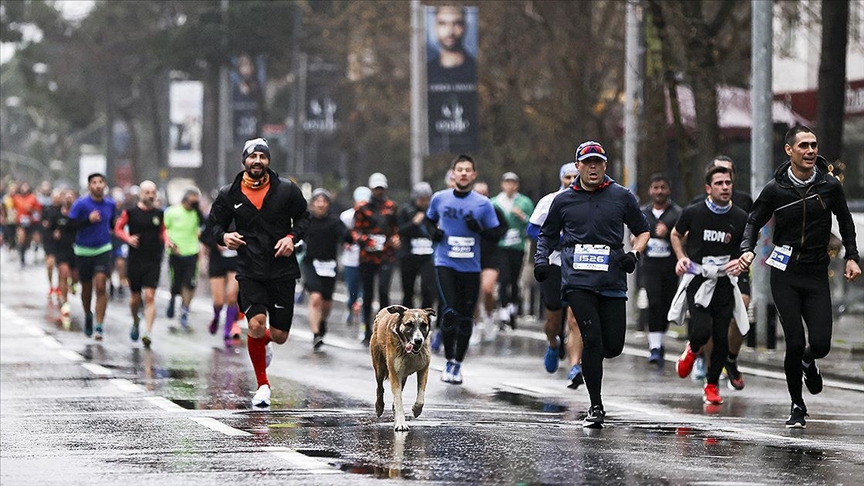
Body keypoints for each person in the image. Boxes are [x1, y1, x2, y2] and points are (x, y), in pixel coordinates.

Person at [738, 125, 860, 428]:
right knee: (793, 341)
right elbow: (753, 221)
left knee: (820, 344)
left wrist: (852, 257)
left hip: (816, 272)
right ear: (789, 151)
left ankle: (809, 362)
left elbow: (845, 222)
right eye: (803, 146)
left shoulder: (829, 185)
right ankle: (797, 405)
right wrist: (747, 249)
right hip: (785, 273)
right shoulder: (775, 189)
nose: (810, 151)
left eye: (813, 145)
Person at [534, 141, 649, 428]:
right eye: (587, 163)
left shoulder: (621, 196)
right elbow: (546, 235)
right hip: (577, 281)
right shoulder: (563, 200)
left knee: (613, 345)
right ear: (578, 167)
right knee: (592, 339)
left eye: (598, 162)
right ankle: (595, 405)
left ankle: (595, 376)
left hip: (611, 280)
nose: (593, 167)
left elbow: (643, 230)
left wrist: (633, 253)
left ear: (605, 165)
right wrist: (541, 260)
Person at [207, 137, 310, 408]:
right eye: (253, 157)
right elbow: (213, 226)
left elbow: (304, 219)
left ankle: (264, 340)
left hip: (282, 269)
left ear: (268, 161)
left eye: (262, 157)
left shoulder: (287, 189)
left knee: (279, 335)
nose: (257, 161)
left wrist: (292, 237)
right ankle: (263, 385)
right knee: (254, 324)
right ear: (244, 161)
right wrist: (224, 236)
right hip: (249, 268)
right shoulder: (229, 193)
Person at [669, 165, 748, 407]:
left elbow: (746, 247)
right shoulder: (694, 212)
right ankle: (692, 351)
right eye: (719, 183)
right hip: (699, 277)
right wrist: (681, 257)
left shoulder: (739, 217)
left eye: (728, 183)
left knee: (721, 337)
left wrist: (742, 261)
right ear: (708, 188)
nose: (725, 187)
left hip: (725, 280)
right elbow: (675, 234)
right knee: (702, 329)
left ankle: (712, 385)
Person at [427, 155, 501, 385]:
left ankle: (458, 363)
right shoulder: (440, 198)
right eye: (460, 169)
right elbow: (428, 221)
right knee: (450, 311)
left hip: (470, 266)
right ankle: (448, 360)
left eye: (468, 170)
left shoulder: (483, 204)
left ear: (474, 174)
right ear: (453, 173)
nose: (464, 173)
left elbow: (496, 234)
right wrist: (434, 233)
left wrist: (477, 228)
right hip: (445, 262)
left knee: (466, 317)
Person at [688, 156, 752, 387]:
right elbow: (684, 233)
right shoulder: (698, 206)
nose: (725, 185)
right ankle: (706, 361)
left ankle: (731, 359)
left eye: (729, 176)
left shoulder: (744, 202)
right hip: (705, 270)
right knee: (709, 325)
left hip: (735, 267)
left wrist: (746, 256)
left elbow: (752, 233)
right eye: (719, 177)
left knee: (742, 307)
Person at [527, 162, 584, 387]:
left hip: (579, 264)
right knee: (553, 318)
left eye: (574, 177)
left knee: (575, 318)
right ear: (561, 178)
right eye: (567, 177)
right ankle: (552, 343)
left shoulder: (586, 200)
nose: (571, 181)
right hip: (553, 263)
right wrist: (558, 240)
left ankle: (575, 366)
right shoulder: (550, 200)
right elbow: (531, 228)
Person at [114, 181, 166, 348]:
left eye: (153, 192)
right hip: (135, 259)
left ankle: (148, 332)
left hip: (153, 259)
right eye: (147, 192)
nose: (151, 195)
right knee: (135, 298)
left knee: (150, 296)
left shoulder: (159, 213)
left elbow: (163, 231)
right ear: (141, 194)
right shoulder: (130, 212)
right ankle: (136, 320)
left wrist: (168, 240)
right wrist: (128, 238)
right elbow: (118, 228)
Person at [638, 173, 682, 368]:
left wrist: (669, 234)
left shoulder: (676, 213)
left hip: (670, 267)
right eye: (656, 187)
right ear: (650, 190)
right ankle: (654, 347)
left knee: (666, 305)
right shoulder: (643, 213)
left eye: (663, 187)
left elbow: (684, 235)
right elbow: (635, 235)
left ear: (668, 190)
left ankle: (660, 341)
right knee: (654, 301)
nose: (659, 191)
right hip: (649, 266)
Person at [352, 172, 400, 345]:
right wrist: (366, 240)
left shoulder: (391, 206)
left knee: (384, 291)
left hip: (386, 256)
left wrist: (396, 239)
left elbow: (396, 228)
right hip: (367, 257)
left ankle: (385, 329)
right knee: (367, 293)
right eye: (376, 188)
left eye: (381, 188)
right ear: (371, 189)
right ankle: (367, 330)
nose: (379, 191)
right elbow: (355, 231)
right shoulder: (362, 208)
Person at [68, 173, 116, 340]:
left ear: (105, 185)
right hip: (83, 250)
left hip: (103, 248)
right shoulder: (80, 204)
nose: (98, 185)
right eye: (94, 182)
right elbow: (70, 225)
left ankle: (99, 325)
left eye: (101, 182)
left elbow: (112, 224)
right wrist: (88, 220)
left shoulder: (111, 204)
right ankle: (88, 314)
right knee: (87, 287)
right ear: (89, 186)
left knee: (101, 285)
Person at [302, 188, 345, 349]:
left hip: (329, 265)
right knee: (315, 298)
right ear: (312, 204)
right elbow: (296, 235)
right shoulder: (307, 221)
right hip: (311, 263)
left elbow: (345, 236)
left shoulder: (334, 222)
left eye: (324, 201)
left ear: (328, 204)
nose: (321, 204)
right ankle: (315, 334)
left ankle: (322, 322)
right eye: (317, 201)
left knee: (326, 302)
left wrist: (350, 239)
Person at [493, 172, 535, 330]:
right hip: (501, 246)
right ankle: (503, 311)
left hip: (518, 246)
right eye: (507, 182)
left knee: (514, 280)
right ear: (502, 185)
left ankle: (513, 309)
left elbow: (533, 223)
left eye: (513, 183)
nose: (510, 186)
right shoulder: (495, 202)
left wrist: (522, 216)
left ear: (517, 185)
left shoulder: (524, 202)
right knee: (504, 278)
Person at [472, 181, 507, 343]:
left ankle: (488, 316)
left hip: (491, 255)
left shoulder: (494, 210)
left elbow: (502, 230)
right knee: (472, 293)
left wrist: (485, 231)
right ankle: (474, 325)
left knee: (487, 289)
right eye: (477, 194)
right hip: (471, 254)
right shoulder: (467, 209)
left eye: (484, 194)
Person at [164, 188, 203, 331]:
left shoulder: (196, 213)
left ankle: (185, 310)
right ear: (186, 198)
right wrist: (171, 244)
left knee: (190, 284)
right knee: (176, 283)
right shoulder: (172, 212)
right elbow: (164, 230)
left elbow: (202, 229)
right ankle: (173, 298)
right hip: (175, 253)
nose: (194, 201)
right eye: (193, 198)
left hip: (192, 252)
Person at [397, 182, 437, 310]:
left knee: (428, 289)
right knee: (408, 290)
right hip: (409, 255)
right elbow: (400, 230)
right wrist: (414, 223)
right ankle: (407, 318)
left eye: (427, 199)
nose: (424, 202)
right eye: (421, 199)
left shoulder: (433, 211)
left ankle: (425, 317)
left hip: (428, 256)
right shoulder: (406, 209)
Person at [44, 188, 79, 329]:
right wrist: (54, 233)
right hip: (61, 249)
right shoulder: (56, 213)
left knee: (75, 277)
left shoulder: (78, 213)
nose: (69, 198)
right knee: (63, 273)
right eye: (66, 196)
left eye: (71, 196)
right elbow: (49, 228)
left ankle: (74, 284)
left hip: (76, 249)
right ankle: (65, 302)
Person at [340, 186, 371, 327]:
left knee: (365, 292)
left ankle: (364, 321)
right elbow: (341, 234)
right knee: (352, 290)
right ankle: (349, 307)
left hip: (367, 259)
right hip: (351, 259)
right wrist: (345, 243)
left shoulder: (373, 216)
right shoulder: (346, 216)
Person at [427, 6, 477, 85]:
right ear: (435, 27)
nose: (450, 32)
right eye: (443, 23)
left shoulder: (477, 69)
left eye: (457, 23)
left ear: (465, 27)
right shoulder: (425, 72)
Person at [12, 181, 43, 267]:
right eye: (23, 187)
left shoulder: (33, 198)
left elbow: (38, 209)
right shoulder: (16, 198)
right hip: (20, 222)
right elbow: (12, 208)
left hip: (31, 222)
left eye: (26, 187)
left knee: (33, 239)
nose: (24, 189)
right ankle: (22, 259)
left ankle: (35, 251)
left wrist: (32, 210)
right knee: (21, 238)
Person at [41, 189, 64, 302]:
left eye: (58, 196)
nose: (56, 198)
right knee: (49, 265)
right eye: (54, 196)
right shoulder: (47, 209)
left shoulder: (63, 210)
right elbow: (42, 222)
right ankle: (51, 286)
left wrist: (60, 231)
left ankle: (60, 287)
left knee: (60, 267)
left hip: (61, 242)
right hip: (49, 240)